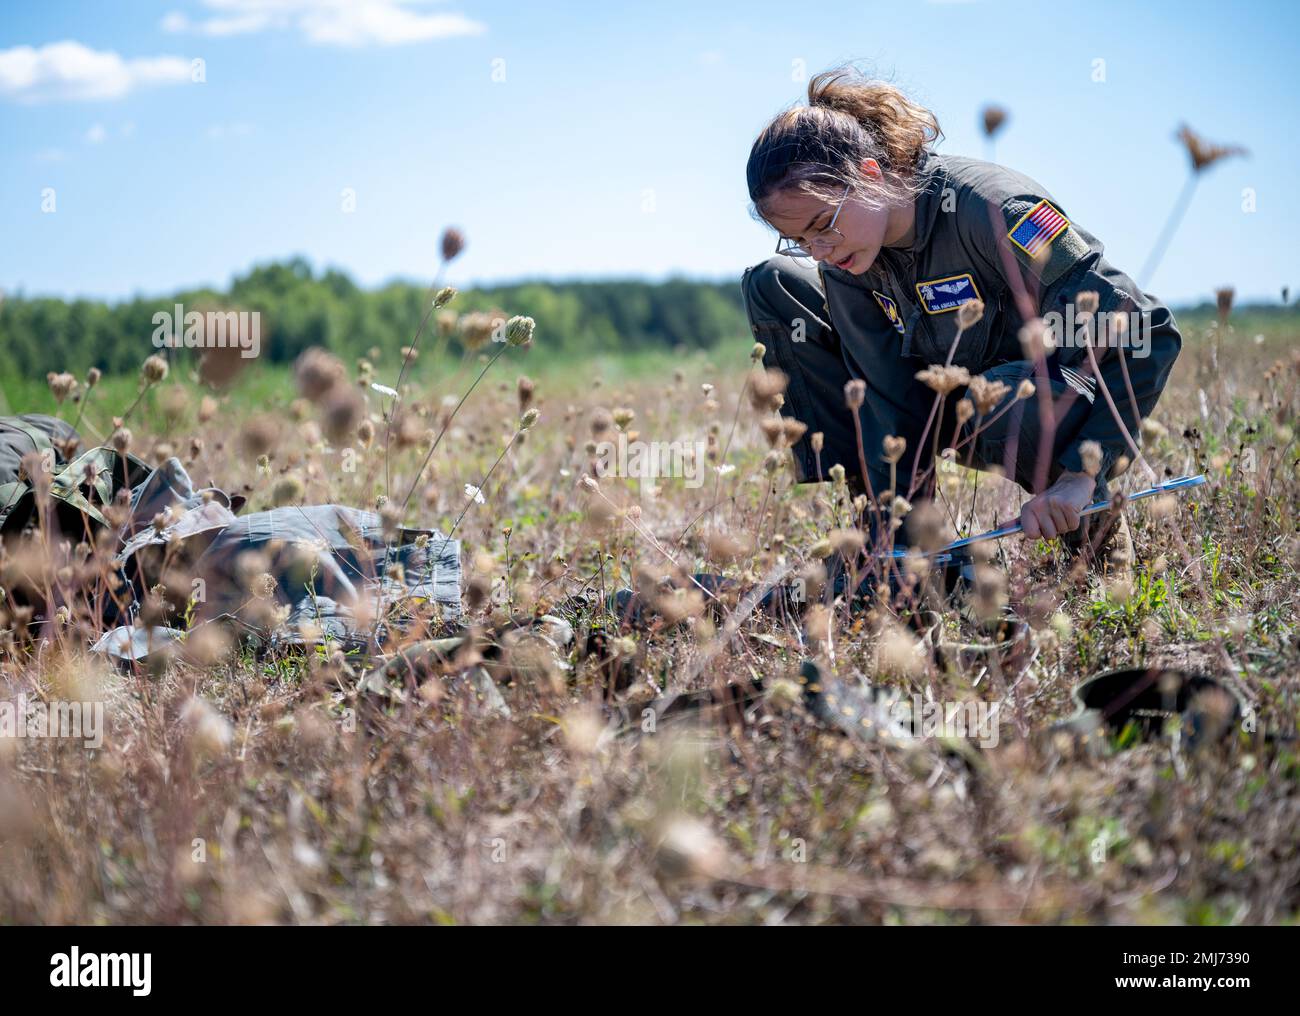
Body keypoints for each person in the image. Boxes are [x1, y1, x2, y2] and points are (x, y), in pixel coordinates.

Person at [741, 66, 1181, 564]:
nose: (818, 250)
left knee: (1011, 398)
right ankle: (890, 535)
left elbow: (1149, 331)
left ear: (868, 175)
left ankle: (1093, 531)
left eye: (824, 225)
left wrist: (1081, 476)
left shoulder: (997, 211)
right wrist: (898, 547)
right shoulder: (848, 256)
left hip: (1034, 403)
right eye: (799, 240)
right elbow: (885, 394)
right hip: (946, 405)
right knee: (774, 282)